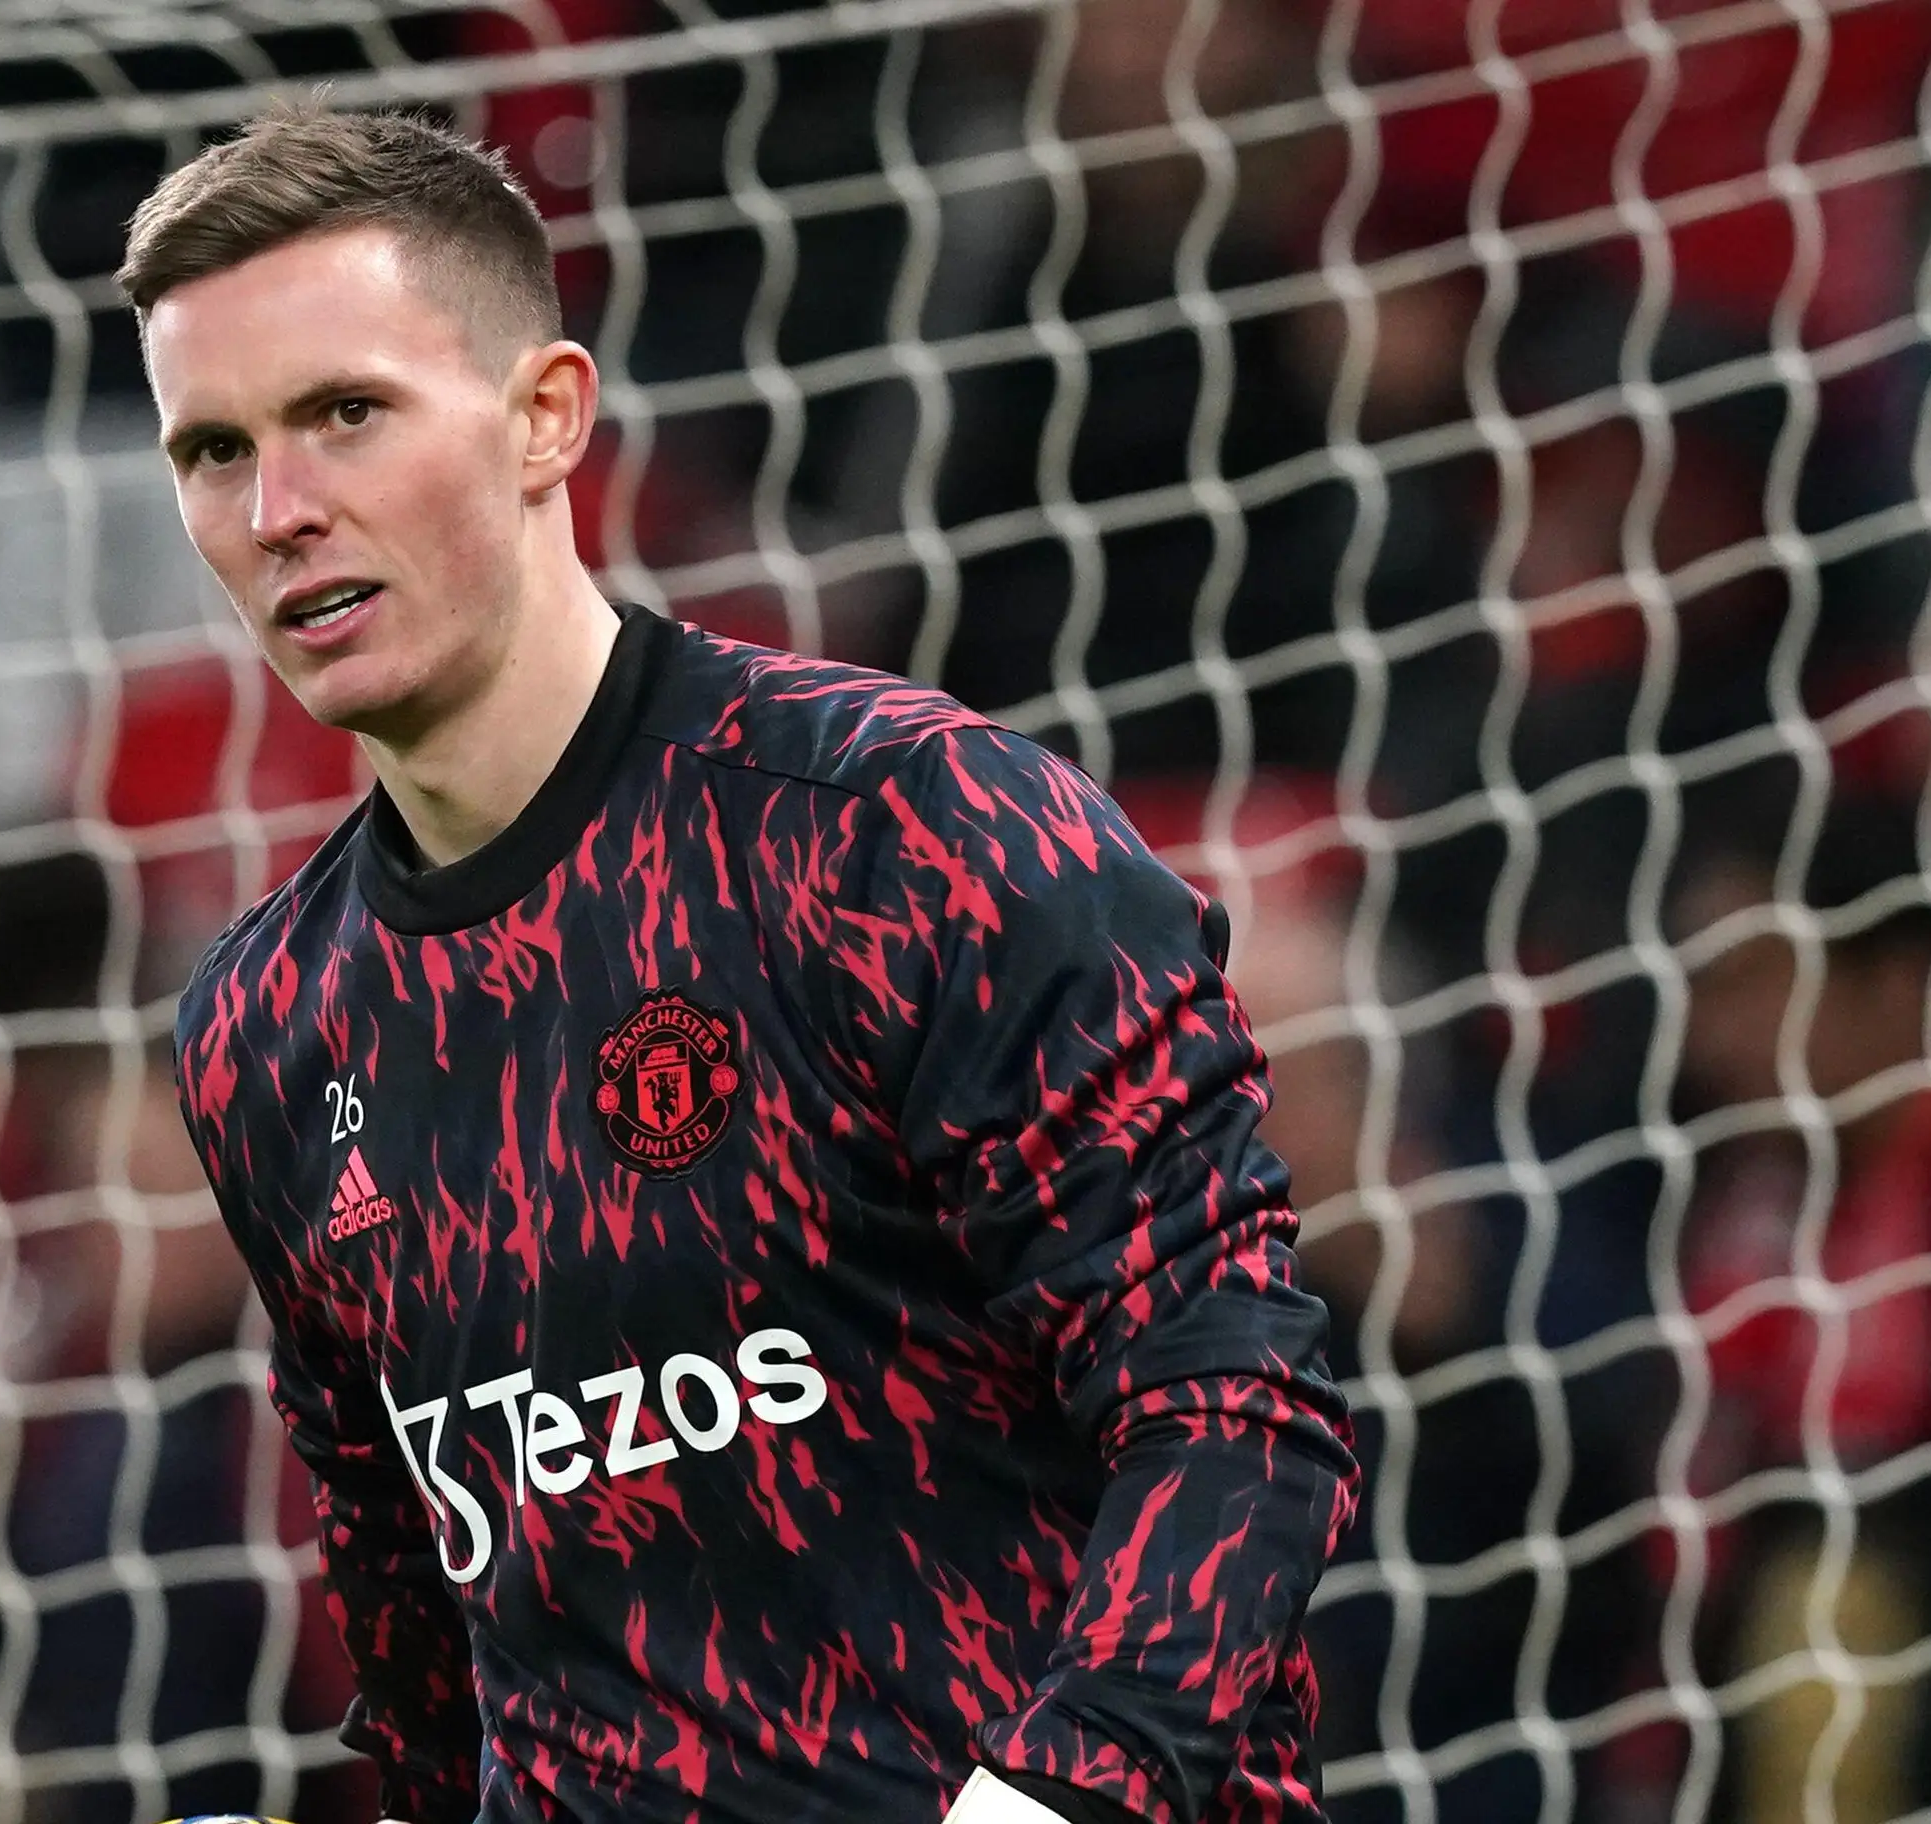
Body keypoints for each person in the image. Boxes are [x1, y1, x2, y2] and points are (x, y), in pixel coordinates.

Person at [133, 104, 1361, 1824]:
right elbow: (418, 1636)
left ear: (546, 418)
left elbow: (1233, 1406)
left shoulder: (899, 832)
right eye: (213, 449)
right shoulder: (269, 1029)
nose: (277, 510)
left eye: (346, 414)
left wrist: (1048, 1800)